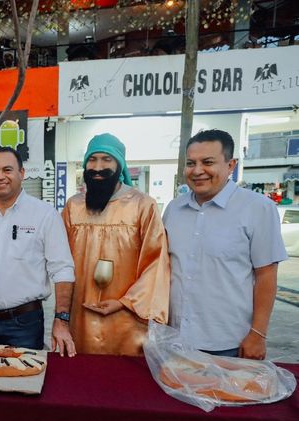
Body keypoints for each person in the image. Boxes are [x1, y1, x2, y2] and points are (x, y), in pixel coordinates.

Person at [164, 129, 287, 359]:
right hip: (175, 340)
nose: (198, 170)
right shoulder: (174, 210)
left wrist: (258, 334)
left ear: (231, 165)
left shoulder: (257, 208)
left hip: (228, 343)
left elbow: (266, 275)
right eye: (191, 163)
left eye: (207, 162)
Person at [61, 134, 170, 356]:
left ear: (120, 164)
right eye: (92, 160)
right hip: (81, 317)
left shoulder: (142, 205)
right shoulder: (73, 207)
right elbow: (60, 261)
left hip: (126, 319)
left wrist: (124, 302)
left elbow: (156, 264)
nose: (98, 167)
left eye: (106, 159)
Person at [0, 147, 76, 355]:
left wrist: (62, 320)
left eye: (7, 170)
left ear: (22, 173)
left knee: (23, 382)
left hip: (24, 324)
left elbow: (63, 269)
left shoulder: (45, 214)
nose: (0, 177)